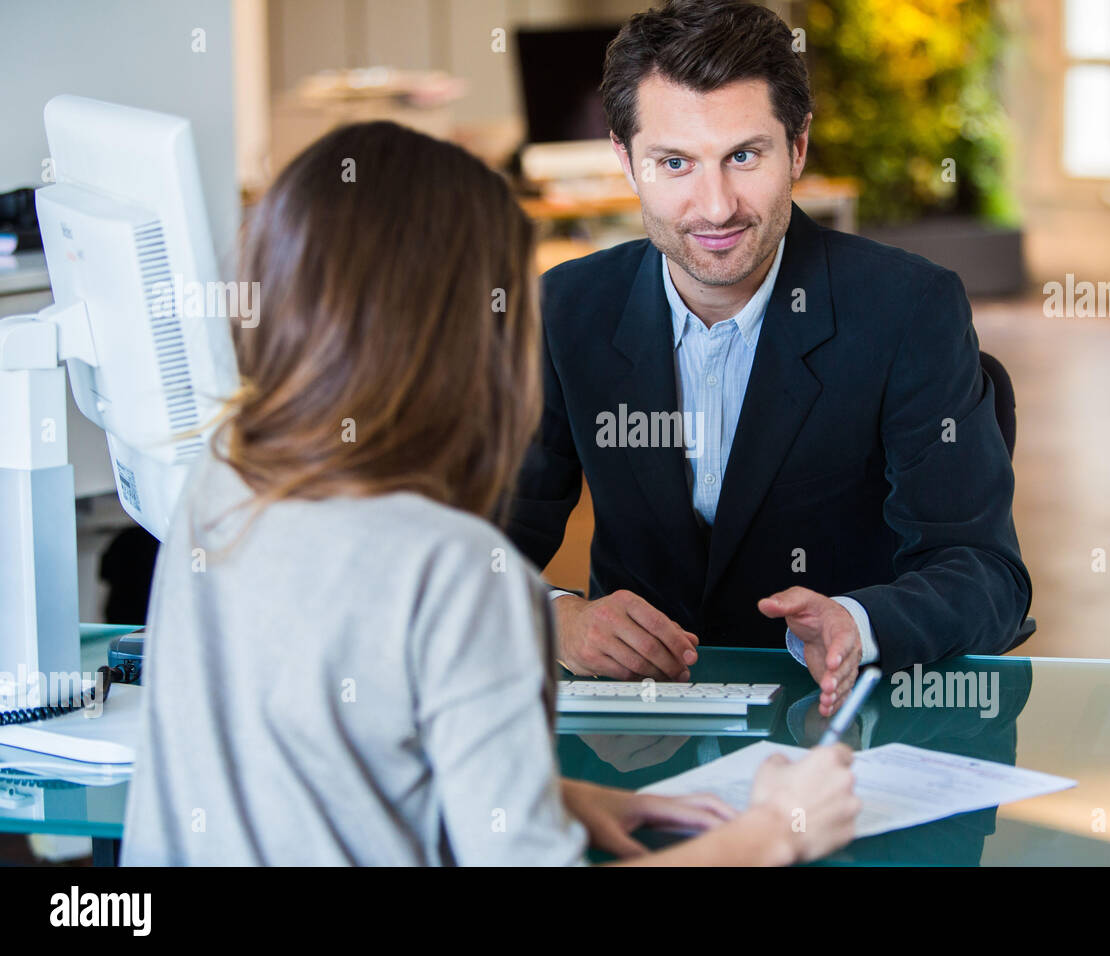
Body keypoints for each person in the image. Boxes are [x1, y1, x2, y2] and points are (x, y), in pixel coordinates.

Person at [120, 120, 858, 866]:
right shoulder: (452, 566)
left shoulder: (225, 476)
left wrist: (547, 801)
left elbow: (326, 763)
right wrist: (775, 830)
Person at [506, 0, 1032, 719]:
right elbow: (478, 548)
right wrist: (555, 618)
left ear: (798, 148)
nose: (716, 206)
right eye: (675, 163)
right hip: (642, 730)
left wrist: (860, 625)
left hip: (841, 723)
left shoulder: (911, 308)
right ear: (626, 162)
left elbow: (986, 573)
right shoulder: (565, 308)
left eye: (744, 157)